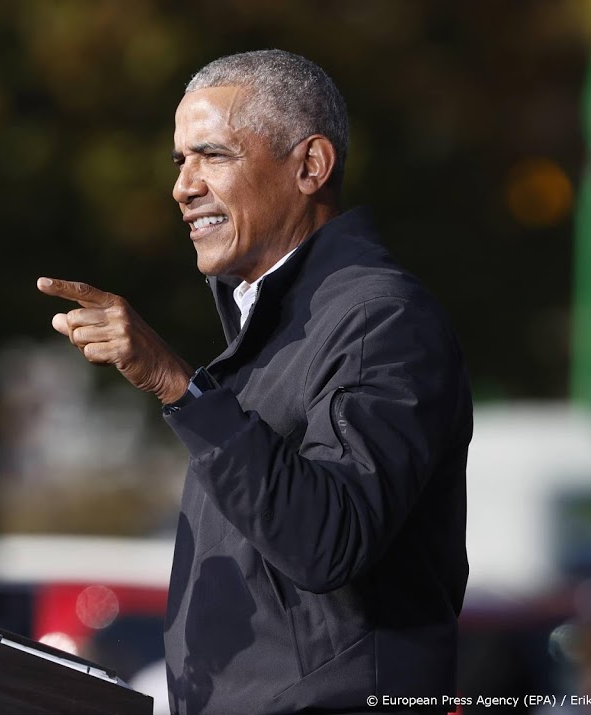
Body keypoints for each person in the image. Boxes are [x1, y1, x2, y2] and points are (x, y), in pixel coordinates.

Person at [38, 49, 471, 714]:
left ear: (310, 165)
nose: (183, 186)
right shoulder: (274, 331)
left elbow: (329, 540)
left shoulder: (383, 318)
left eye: (211, 155)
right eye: (179, 161)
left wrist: (181, 387)